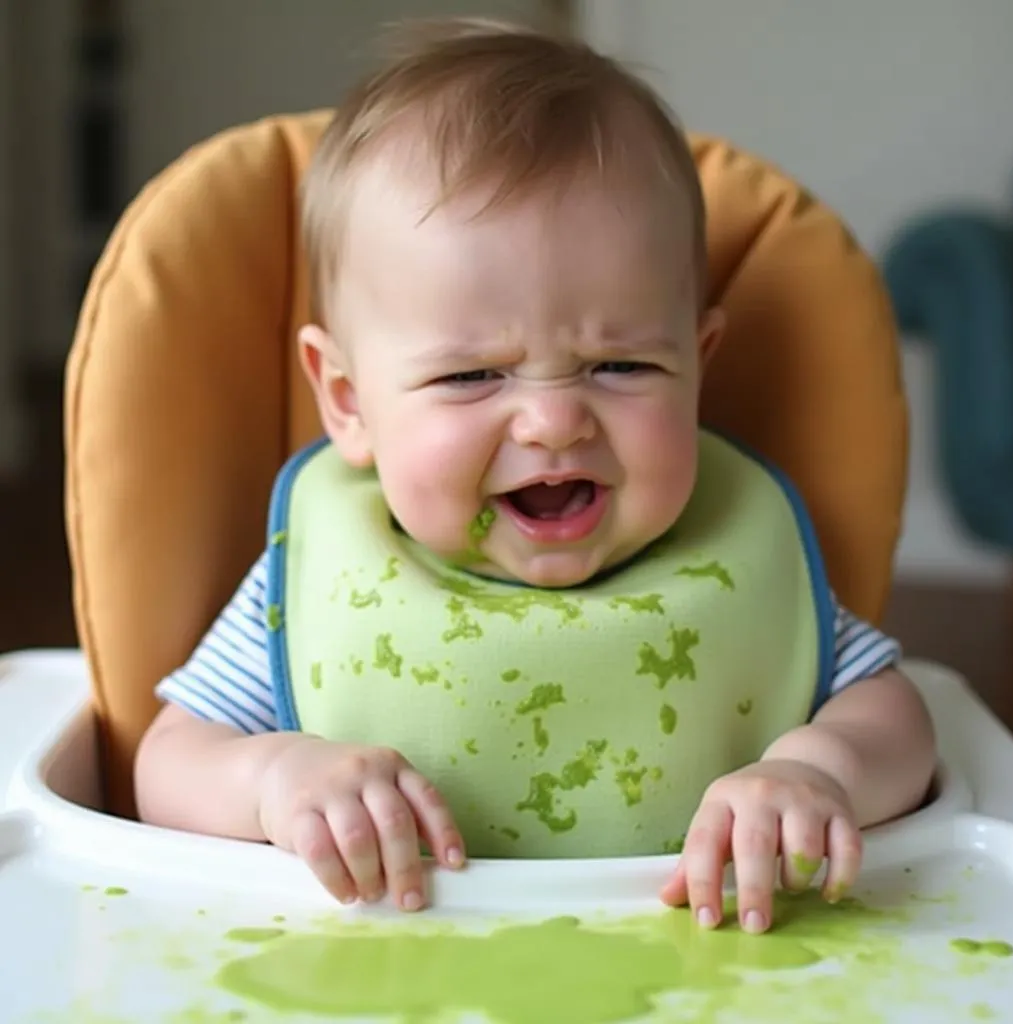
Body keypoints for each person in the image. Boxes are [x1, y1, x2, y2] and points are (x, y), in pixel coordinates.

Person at [134, 17, 936, 935]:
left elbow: (895, 714)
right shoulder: (326, 576)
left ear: (699, 363)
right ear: (350, 401)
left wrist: (819, 771)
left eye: (622, 365)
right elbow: (168, 761)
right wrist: (271, 781)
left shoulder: (735, 559)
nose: (555, 422)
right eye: (471, 374)